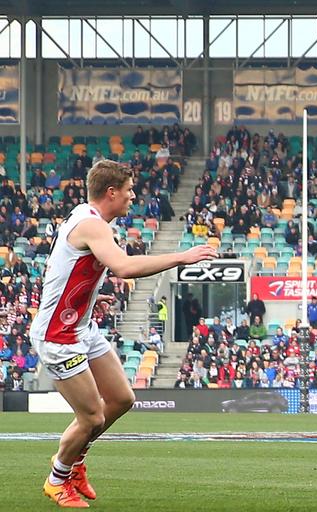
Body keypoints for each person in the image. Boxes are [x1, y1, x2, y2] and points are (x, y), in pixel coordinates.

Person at [34, 160, 217, 508]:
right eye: (129, 190)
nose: (133, 196)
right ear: (111, 192)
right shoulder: (93, 225)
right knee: (91, 417)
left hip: (80, 326)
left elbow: (61, 268)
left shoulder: (86, 219)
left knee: (122, 399)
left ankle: (74, 462)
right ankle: (58, 478)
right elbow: (125, 267)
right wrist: (181, 257)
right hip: (59, 336)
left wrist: (88, 296)